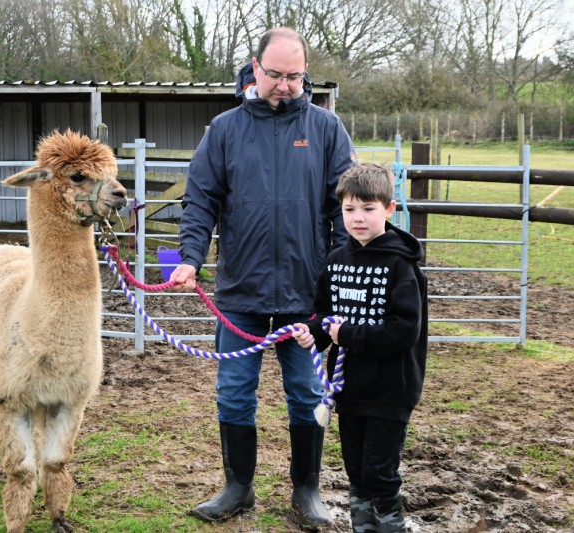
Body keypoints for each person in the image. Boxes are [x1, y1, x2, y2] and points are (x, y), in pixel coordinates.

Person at [168, 27, 357, 527]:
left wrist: (341, 276)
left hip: (306, 294)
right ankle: (238, 487)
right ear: (255, 68)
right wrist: (190, 256)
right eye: (275, 75)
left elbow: (345, 208)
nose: (285, 85)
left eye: (295, 76)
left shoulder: (326, 129)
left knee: (307, 393)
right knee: (233, 391)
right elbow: (201, 198)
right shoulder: (225, 128)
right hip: (240, 291)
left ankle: (307, 491)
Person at [291, 162, 428, 533]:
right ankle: (363, 527)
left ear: (389, 208)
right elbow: (325, 315)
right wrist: (313, 333)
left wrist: (345, 334)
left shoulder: (403, 267)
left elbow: (404, 329)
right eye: (350, 209)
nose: (358, 218)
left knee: (380, 471)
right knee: (355, 468)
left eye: (368, 209)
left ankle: (391, 526)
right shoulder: (336, 262)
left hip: (391, 388)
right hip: (348, 387)